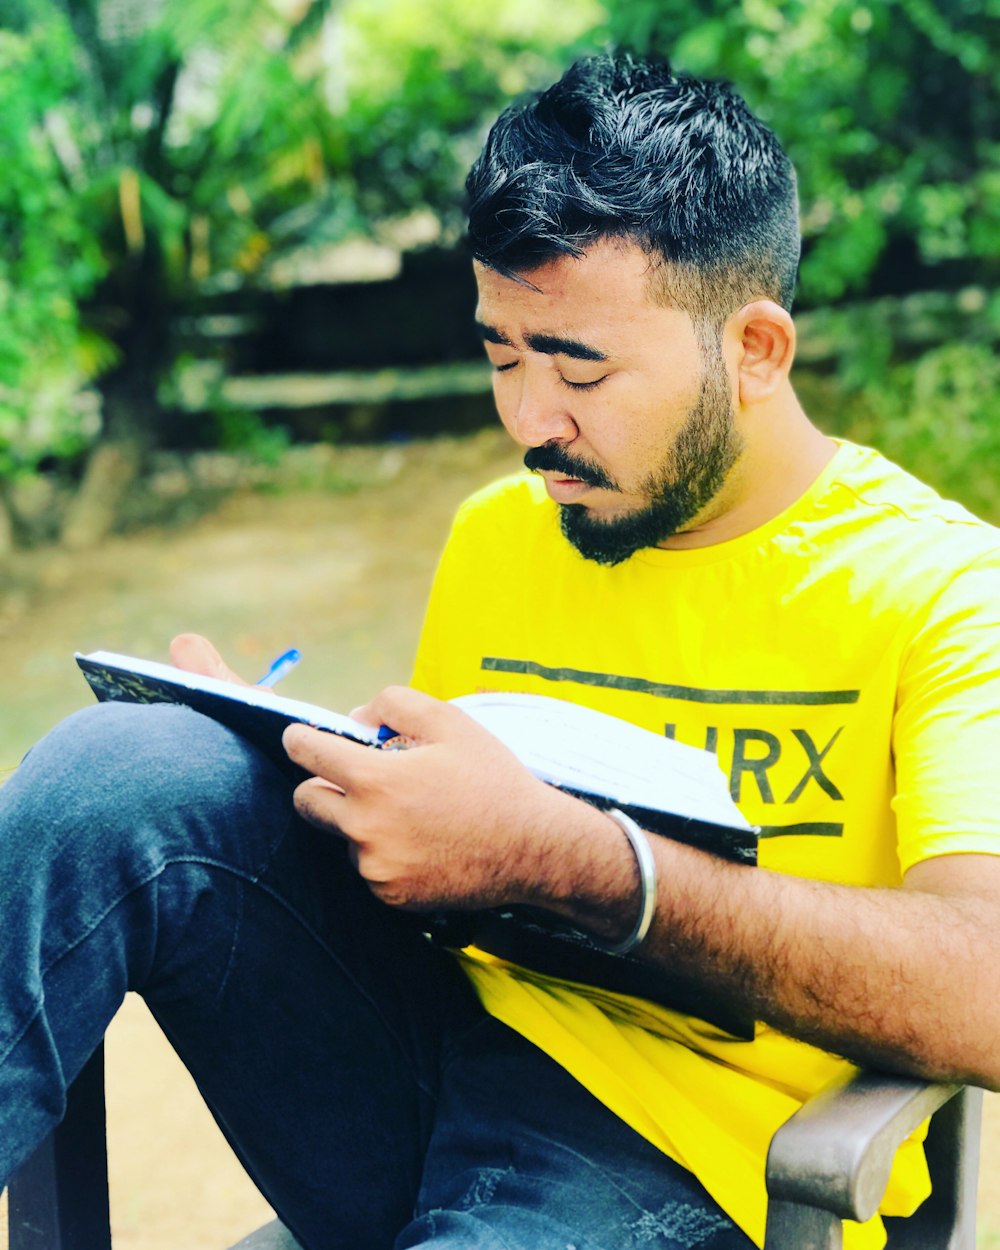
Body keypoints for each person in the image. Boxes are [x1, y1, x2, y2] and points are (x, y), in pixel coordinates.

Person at [2, 51, 999, 1250]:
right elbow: (441, 889)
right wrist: (280, 768)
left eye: (580, 363)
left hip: (691, 1164)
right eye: (501, 354)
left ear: (755, 350)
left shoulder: (944, 592)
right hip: (432, 1063)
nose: (531, 420)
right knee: (129, 767)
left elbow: (983, 986)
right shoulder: (504, 532)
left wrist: (578, 860)